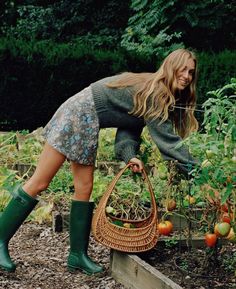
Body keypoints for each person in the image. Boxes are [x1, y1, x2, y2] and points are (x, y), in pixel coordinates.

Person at [0, 48, 199, 275]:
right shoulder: (157, 93)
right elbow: (169, 143)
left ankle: (77, 256)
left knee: (84, 188)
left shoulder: (151, 88)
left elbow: (129, 128)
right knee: (40, 182)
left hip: (86, 118)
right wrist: (197, 172)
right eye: (182, 69)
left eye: (191, 72)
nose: (186, 76)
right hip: (79, 114)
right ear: (170, 67)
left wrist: (129, 155)